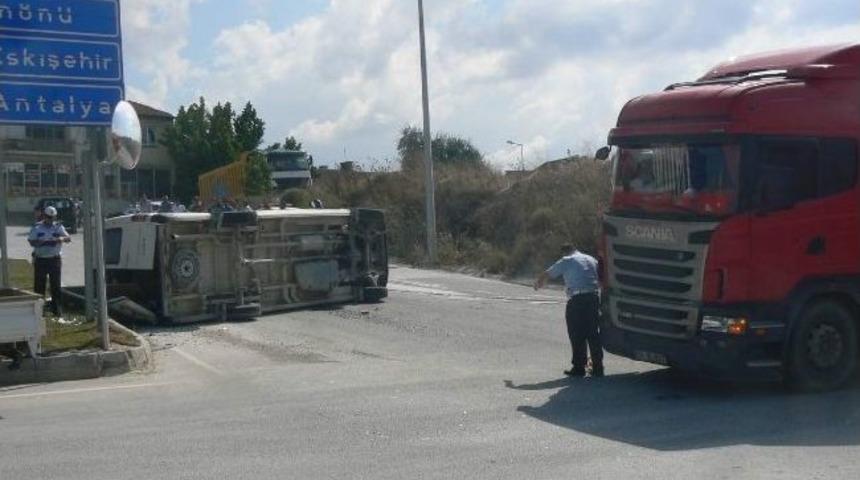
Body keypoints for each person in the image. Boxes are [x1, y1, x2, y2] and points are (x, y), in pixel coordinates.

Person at [534, 243, 603, 378]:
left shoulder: (567, 260)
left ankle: (579, 368)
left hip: (577, 299)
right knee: (593, 333)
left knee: (576, 334)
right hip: (593, 298)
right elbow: (602, 277)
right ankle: (598, 367)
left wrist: (538, 283)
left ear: (565, 252)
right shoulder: (591, 259)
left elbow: (548, 273)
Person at [28, 206, 71, 318]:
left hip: (54, 259)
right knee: (39, 286)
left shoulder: (58, 227)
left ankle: (57, 310)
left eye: (52, 217)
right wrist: (42, 242)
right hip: (41, 260)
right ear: (44, 216)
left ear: (55, 217)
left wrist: (61, 239)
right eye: (48, 217)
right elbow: (31, 241)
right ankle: (39, 311)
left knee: (55, 286)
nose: (50, 219)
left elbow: (68, 238)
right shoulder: (37, 227)